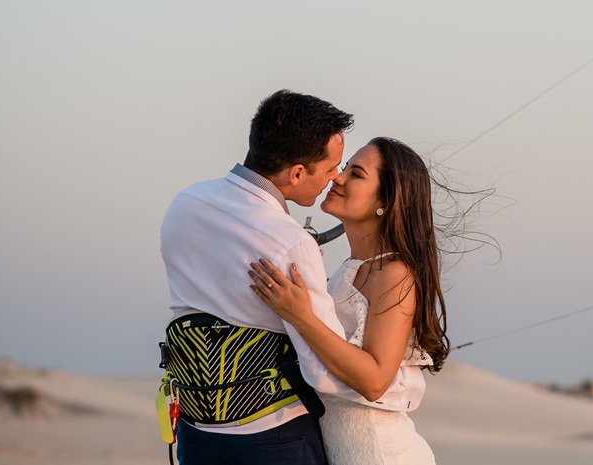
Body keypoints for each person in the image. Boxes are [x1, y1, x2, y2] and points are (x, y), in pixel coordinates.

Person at [160, 89, 369, 465]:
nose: (334, 178)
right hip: (273, 438)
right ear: (297, 173)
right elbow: (322, 372)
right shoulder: (290, 242)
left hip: (195, 431)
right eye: (330, 167)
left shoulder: (184, 203)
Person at [249, 137, 448, 465]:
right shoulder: (348, 271)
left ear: (385, 200)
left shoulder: (394, 272)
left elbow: (375, 382)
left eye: (356, 174)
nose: (337, 177)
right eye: (343, 169)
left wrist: (301, 316)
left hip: (380, 453)